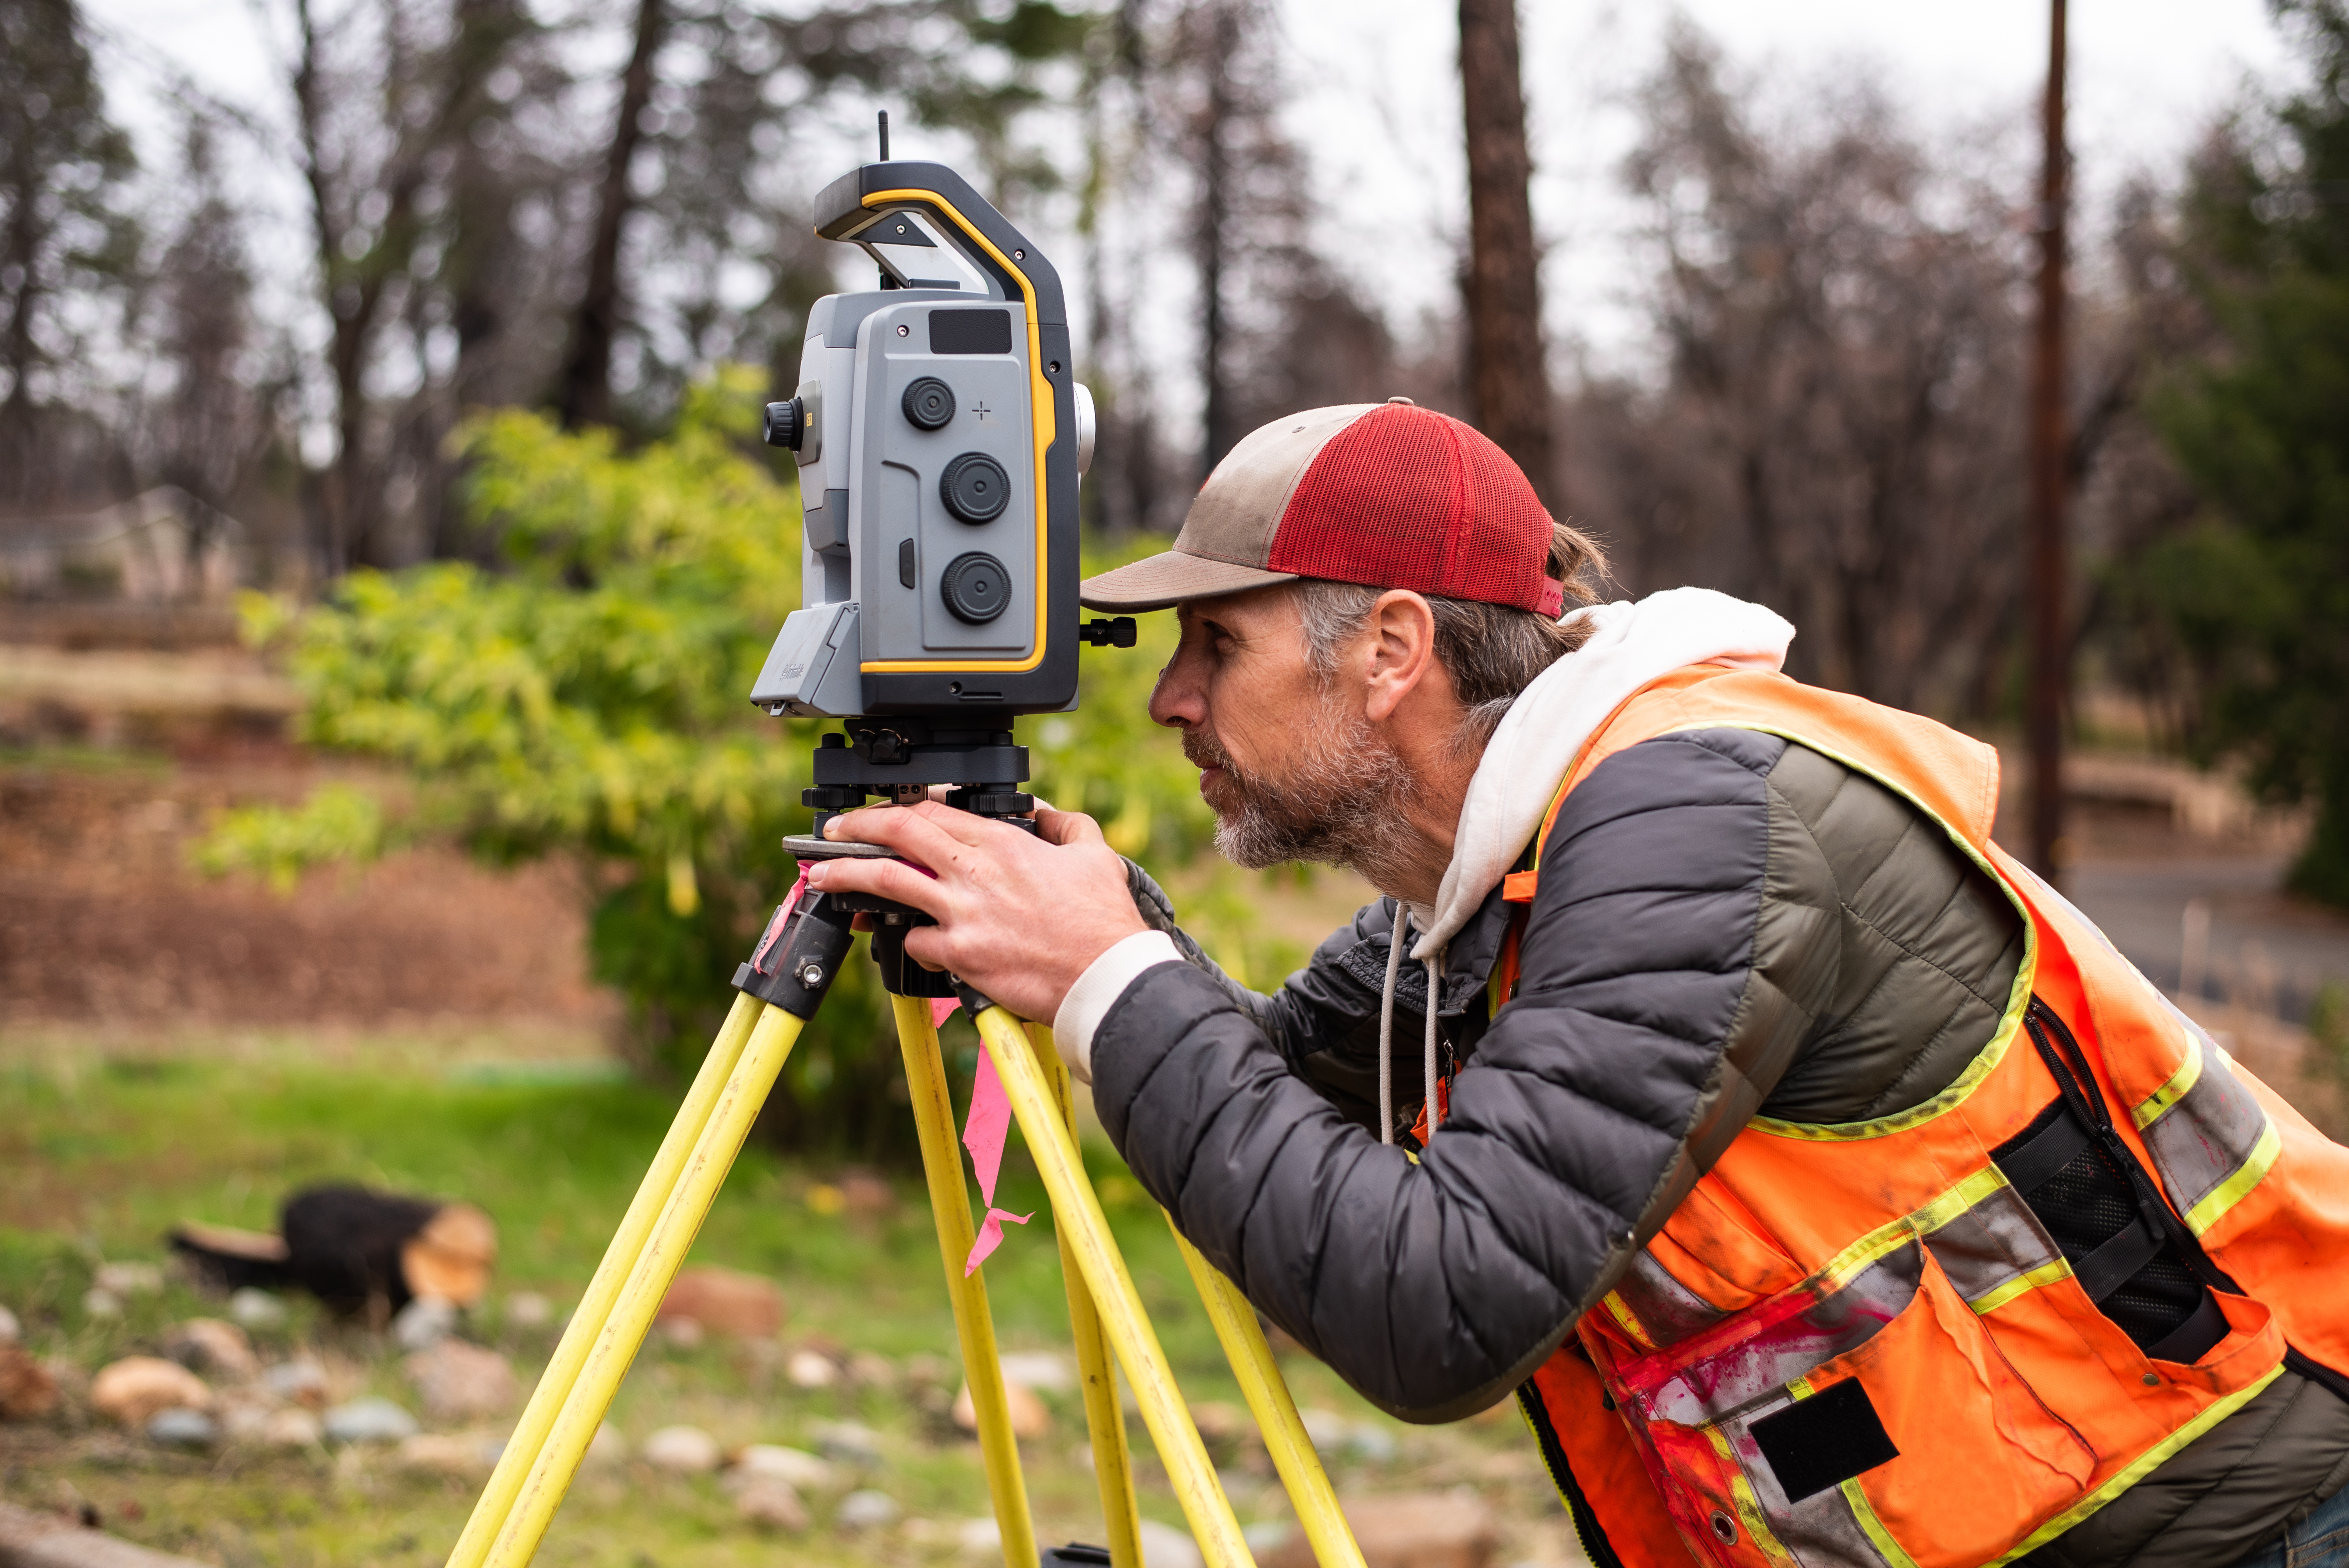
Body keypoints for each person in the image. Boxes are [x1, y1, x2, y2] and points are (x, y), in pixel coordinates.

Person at [802, 399, 2349, 1568]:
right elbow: (1259, 1085)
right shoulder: (1482, 882)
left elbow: (1437, 1305)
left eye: (1215, 641)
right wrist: (1078, 918)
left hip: (2229, 1518)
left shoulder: (1690, 824)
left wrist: (1108, 975)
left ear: (1391, 647)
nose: (1167, 698)